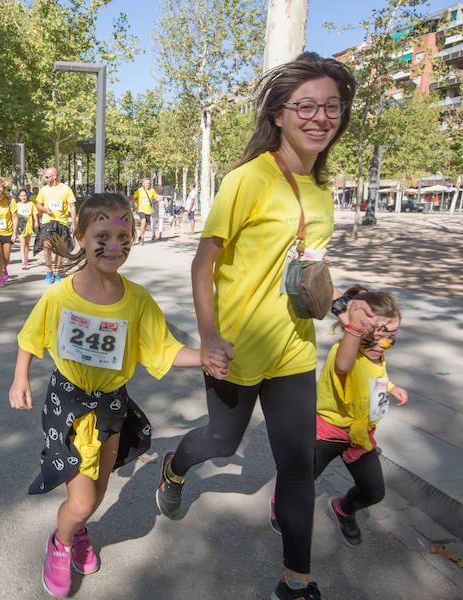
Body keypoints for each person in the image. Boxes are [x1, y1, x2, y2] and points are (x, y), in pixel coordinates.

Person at [154, 52, 359, 600]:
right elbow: (204, 261)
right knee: (223, 442)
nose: (321, 117)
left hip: (293, 349)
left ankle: (297, 580)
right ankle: (175, 465)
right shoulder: (246, 179)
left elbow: (307, 265)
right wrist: (209, 335)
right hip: (237, 348)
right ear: (279, 115)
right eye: (307, 106)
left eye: (332, 107)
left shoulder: (320, 189)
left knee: (297, 464)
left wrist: (341, 306)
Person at [9, 193, 201, 598]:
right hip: (69, 404)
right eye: (102, 234)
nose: (114, 246)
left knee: (97, 492)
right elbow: (30, 336)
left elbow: (163, 350)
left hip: (112, 405)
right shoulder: (60, 295)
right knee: (79, 502)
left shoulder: (137, 300)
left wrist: (207, 357)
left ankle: (77, 531)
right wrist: (20, 377)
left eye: (123, 234)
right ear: (80, 235)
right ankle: (62, 542)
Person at [270, 285, 407, 549]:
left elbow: (376, 377)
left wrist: (392, 387)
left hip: (359, 436)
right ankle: (279, 504)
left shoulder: (376, 356)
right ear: (357, 332)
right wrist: (352, 329)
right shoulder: (344, 353)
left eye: (390, 340)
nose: (382, 346)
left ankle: (344, 509)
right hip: (329, 432)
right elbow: (345, 367)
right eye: (373, 338)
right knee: (299, 480)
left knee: (374, 491)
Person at [35, 166, 77, 284]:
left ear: (54, 176)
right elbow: (38, 205)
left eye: (47, 177)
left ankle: (57, 272)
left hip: (62, 222)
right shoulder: (43, 190)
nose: (45, 179)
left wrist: (73, 222)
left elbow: (72, 206)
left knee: (60, 249)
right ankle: (49, 271)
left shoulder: (66, 189)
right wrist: (45, 209)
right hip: (47, 221)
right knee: (47, 246)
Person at [16, 187, 38, 269]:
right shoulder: (17, 205)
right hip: (21, 225)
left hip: (29, 224)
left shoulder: (31, 204)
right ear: (19, 197)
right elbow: (14, 216)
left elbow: (35, 214)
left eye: (24, 195)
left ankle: (26, 257)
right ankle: (23, 261)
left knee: (27, 244)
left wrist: (36, 222)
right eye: (21, 196)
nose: (23, 197)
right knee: (22, 244)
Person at [133, 177, 158, 244]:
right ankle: (142, 238)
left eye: (149, 183)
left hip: (148, 210)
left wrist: (153, 202)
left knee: (145, 225)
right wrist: (133, 205)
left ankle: (140, 235)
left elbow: (156, 198)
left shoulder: (152, 190)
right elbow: (134, 198)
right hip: (141, 209)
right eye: (146, 183)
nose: (147, 185)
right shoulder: (139, 190)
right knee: (143, 222)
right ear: (143, 184)